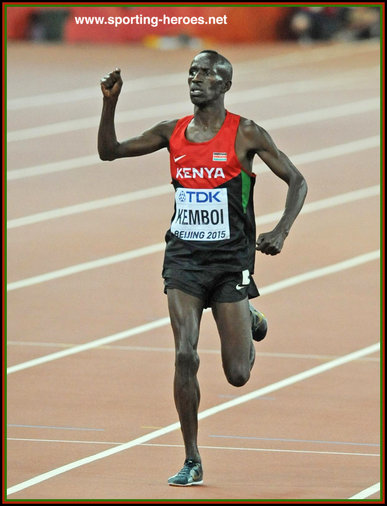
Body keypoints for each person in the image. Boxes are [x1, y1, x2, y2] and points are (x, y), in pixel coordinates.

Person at [98, 50, 308, 486]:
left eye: (208, 72)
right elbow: (110, 152)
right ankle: (192, 459)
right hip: (184, 261)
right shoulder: (171, 132)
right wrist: (109, 103)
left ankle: (248, 315)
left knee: (237, 375)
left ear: (225, 85)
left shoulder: (245, 133)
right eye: (192, 71)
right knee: (184, 354)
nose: (197, 78)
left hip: (232, 261)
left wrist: (281, 231)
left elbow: (297, 180)